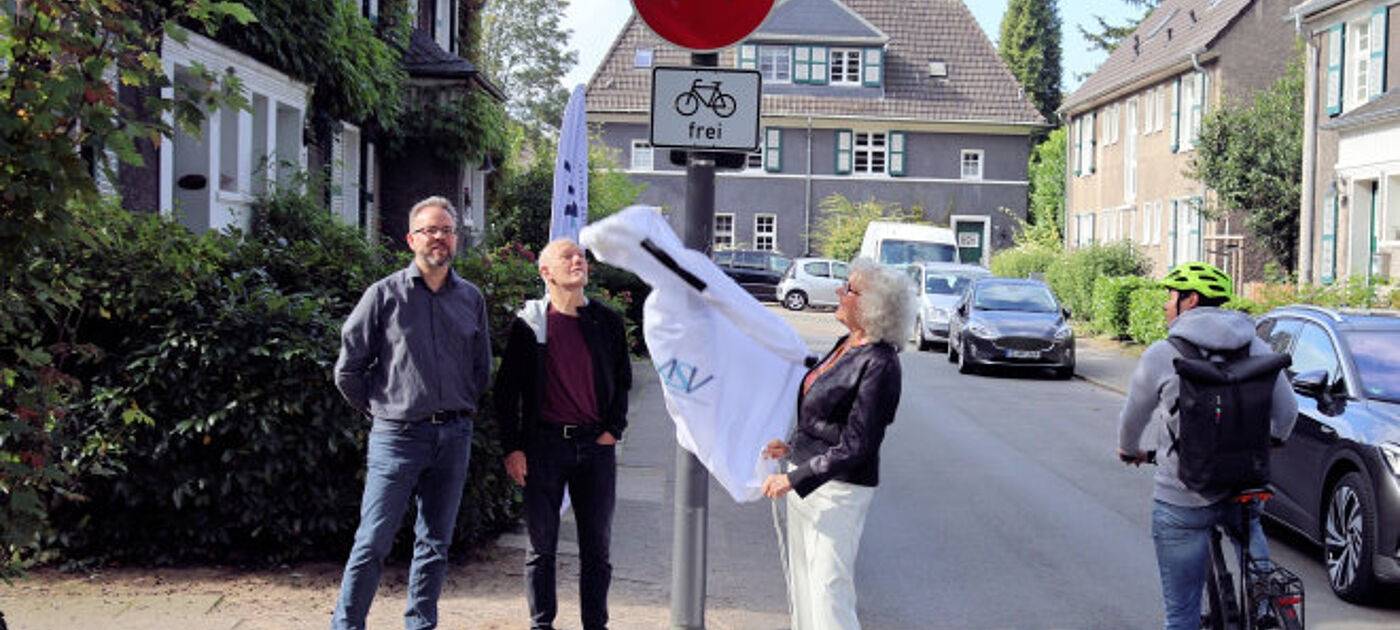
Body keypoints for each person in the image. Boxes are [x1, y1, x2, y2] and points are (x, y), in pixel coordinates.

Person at [330, 196, 493, 630]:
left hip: (453, 438)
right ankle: (347, 625)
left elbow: (482, 368)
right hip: (397, 437)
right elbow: (348, 369)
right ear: (411, 239)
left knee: (435, 544)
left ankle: (420, 624)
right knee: (373, 542)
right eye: (429, 230)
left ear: (455, 239)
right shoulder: (383, 295)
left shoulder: (470, 298)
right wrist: (383, 409)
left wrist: (460, 408)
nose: (438, 238)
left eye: (446, 230)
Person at [1117, 262, 1297, 630]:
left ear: (1191, 300)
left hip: (1183, 495)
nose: (1166, 305)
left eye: (1170, 297)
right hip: (1243, 485)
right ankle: (1265, 609)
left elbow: (1133, 416)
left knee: (1182, 615)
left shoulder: (1162, 353)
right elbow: (1288, 411)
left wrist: (1129, 448)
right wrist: (1274, 439)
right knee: (1249, 524)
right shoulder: (1257, 345)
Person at [760, 257, 913, 630]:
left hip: (839, 491)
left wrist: (794, 479)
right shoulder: (846, 343)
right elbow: (821, 409)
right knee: (804, 586)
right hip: (807, 478)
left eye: (849, 289)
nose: (839, 292)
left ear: (872, 305)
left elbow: (858, 445)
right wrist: (793, 445)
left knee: (829, 588)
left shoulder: (880, 364)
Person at [495, 238, 633, 630]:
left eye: (581, 257)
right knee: (541, 548)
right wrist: (514, 448)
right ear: (545, 272)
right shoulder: (529, 325)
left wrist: (612, 431)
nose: (578, 261)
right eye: (567, 257)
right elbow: (507, 392)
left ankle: (595, 625)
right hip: (545, 446)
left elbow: (623, 380)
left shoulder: (607, 322)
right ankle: (542, 624)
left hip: (595, 448)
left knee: (597, 549)